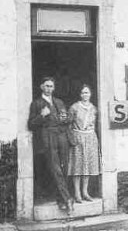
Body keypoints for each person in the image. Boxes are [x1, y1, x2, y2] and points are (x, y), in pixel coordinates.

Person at [28, 76, 73, 213]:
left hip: (62, 137)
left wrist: (66, 118)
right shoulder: (36, 103)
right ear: (42, 87)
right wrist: (41, 116)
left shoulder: (59, 102)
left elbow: (68, 118)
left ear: (54, 88)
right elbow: (31, 124)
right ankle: (67, 199)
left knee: (64, 167)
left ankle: (61, 199)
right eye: (46, 86)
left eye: (51, 86)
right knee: (55, 168)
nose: (49, 89)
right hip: (48, 138)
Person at [68, 84, 101, 203]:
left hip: (90, 138)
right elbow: (68, 124)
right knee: (77, 165)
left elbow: (96, 124)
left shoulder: (94, 108)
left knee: (87, 166)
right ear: (79, 94)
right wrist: (72, 138)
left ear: (90, 94)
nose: (85, 95)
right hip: (78, 138)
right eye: (82, 93)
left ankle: (85, 192)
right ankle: (77, 193)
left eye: (87, 92)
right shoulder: (74, 107)